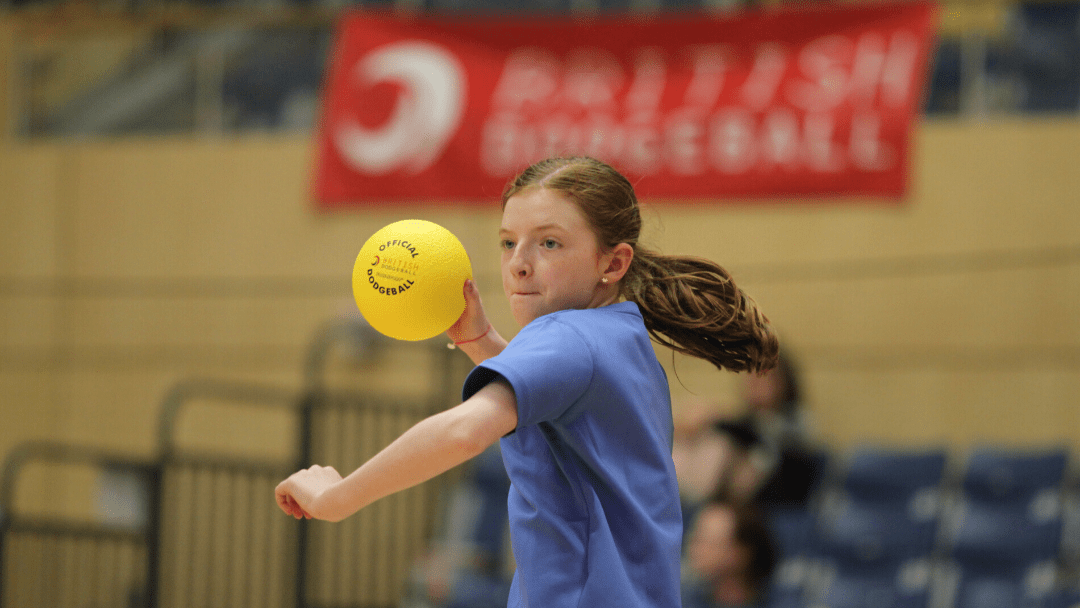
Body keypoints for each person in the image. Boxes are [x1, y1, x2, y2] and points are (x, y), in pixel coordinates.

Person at [275, 156, 779, 607]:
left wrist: (337, 497)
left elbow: (464, 432)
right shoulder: (619, 336)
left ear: (613, 262)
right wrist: (481, 341)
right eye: (508, 242)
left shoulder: (566, 337)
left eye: (549, 242)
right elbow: (553, 415)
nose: (519, 262)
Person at [682, 496, 778, 608]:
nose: (694, 549)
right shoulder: (685, 597)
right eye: (695, 537)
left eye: (710, 543)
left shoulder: (781, 601)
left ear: (742, 552)